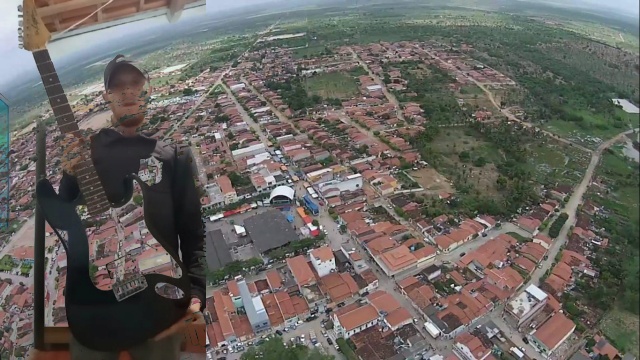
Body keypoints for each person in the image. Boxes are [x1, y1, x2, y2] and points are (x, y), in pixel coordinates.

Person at [58, 54, 206, 360]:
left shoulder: (172, 156)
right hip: (98, 309)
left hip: (163, 300)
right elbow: (64, 218)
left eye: (135, 83)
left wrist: (196, 296)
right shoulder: (85, 152)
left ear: (149, 90)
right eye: (118, 85)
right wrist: (68, 172)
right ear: (106, 96)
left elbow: (193, 230)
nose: (128, 91)